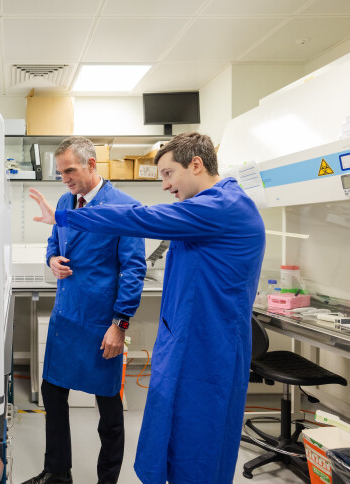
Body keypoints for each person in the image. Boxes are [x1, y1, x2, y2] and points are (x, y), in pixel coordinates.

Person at [29, 132, 266, 484]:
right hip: (178, 335)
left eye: (168, 174)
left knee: (198, 437)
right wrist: (53, 253)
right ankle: (57, 472)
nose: (166, 186)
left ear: (196, 165)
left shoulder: (223, 206)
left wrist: (120, 320)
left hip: (204, 343)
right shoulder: (211, 205)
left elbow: (142, 224)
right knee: (172, 430)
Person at [23, 136, 147, 484]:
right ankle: (58, 472)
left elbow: (133, 268)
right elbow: (54, 240)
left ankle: (106, 480)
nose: (65, 179)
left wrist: (119, 324)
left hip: (100, 322)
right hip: (67, 316)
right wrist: (52, 260)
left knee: (108, 408)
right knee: (53, 392)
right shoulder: (65, 201)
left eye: (70, 171)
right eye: (61, 172)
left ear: (92, 165)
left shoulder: (124, 207)